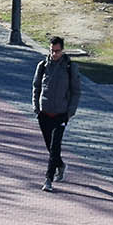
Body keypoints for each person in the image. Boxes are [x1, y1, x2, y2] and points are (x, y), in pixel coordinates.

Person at [31, 35, 81, 191]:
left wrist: (70, 112)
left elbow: (76, 91)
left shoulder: (69, 67)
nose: (54, 54)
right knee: (49, 146)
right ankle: (60, 165)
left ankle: (48, 180)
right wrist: (36, 108)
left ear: (63, 50)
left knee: (54, 147)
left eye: (57, 51)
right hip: (44, 113)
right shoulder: (43, 65)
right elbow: (36, 87)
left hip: (61, 114)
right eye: (52, 51)